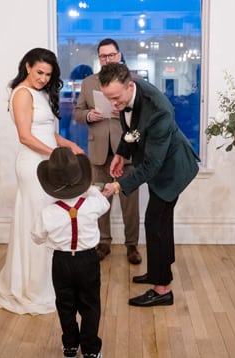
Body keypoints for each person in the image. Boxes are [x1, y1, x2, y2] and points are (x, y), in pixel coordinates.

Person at [99, 62, 198, 307]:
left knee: (157, 224)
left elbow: (152, 166)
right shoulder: (129, 95)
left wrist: (118, 186)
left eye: (116, 98)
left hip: (173, 170)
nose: (113, 105)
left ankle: (163, 289)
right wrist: (121, 154)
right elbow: (132, 130)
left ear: (129, 85)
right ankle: (158, 273)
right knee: (157, 223)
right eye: (108, 99)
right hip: (159, 166)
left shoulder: (159, 110)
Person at [0, 48, 82, 315]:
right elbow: (25, 136)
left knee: (51, 220)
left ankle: (50, 282)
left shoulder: (41, 93)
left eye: (48, 74)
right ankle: (31, 286)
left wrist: (70, 145)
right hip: (33, 165)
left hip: (48, 161)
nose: (43, 78)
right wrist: (58, 155)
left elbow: (49, 133)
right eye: (39, 72)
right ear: (28, 66)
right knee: (36, 221)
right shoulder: (21, 93)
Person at [32, 147, 109, 358]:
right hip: (88, 260)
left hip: (61, 262)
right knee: (90, 304)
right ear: (81, 178)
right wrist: (91, 189)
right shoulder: (93, 203)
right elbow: (104, 203)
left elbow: (36, 237)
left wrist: (52, 238)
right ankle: (91, 349)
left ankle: (70, 345)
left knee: (65, 304)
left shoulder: (48, 212)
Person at [73, 38, 142, 264]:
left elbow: (143, 116)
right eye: (103, 56)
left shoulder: (135, 81)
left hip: (128, 151)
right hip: (99, 151)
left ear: (120, 55)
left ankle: (132, 245)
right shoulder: (88, 83)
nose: (107, 59)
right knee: (98, 199)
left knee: (129, 202)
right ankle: (103, 242)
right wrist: (88, 116)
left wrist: (123, 112)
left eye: (111, 55)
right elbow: (77, 113)